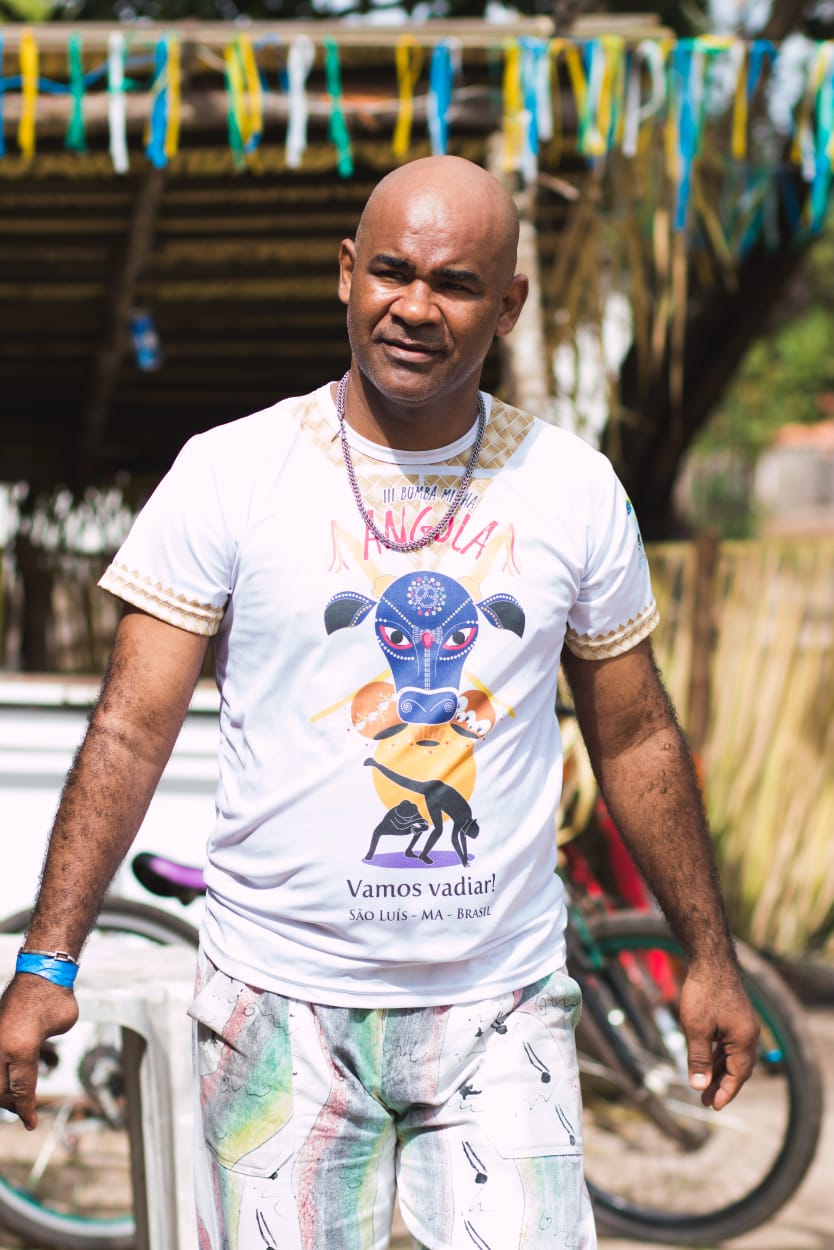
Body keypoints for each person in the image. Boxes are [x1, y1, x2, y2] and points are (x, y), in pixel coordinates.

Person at [0, 156, 758, 1250]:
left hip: (502, 1004)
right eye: (393, 271)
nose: (415, 306)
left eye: (455, 284)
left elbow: (636, 735)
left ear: (509, 305)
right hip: (277, 1007)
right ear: (347, 272)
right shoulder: (232, 472)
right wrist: (46, 959)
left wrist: (710, 954)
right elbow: (128, 728)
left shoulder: (571, 488)